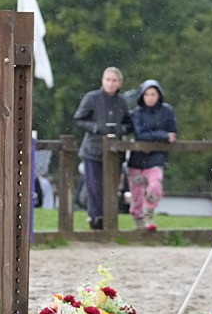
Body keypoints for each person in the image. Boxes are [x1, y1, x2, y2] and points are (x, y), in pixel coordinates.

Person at [73, 67, 132, 230]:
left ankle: (110, 219)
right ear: (102, 80)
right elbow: (78, 119)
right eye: (108, 80)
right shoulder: (91, 98)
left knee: (112, 187)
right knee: (94, 186)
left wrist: (120, 129)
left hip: (115, 151)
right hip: (93, 149)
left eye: (114, 80)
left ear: (119, 83)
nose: (110, 83)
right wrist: (96, 127)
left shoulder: (122, 102)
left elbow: (129, 123)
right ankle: (95, 218)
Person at [127, 79, 178, 231]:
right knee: (137, 192)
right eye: (147, 94)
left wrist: (161, 136)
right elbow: (140, 134)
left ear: (159, 95)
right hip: (137, 158)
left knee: (155, 185)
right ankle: (138, 219)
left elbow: (173, 132)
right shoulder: (137, 113)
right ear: (142, 96)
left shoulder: (167, 111)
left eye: (153, 94)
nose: (150, 97)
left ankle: (149, 212)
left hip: (156, 157)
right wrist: (162, 135)